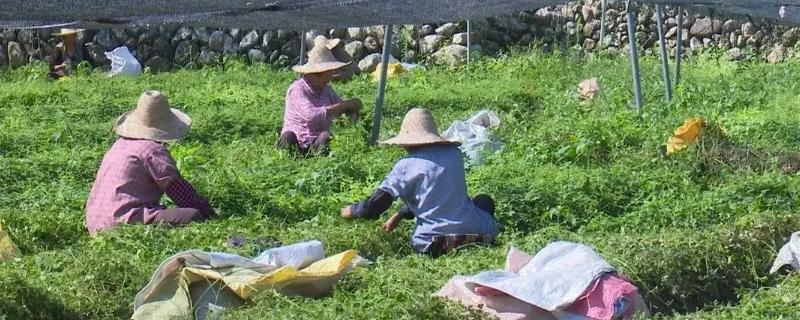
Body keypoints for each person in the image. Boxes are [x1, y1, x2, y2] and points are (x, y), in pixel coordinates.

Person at [340, 108, 499, 257]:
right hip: (478, 234)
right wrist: (399, 215)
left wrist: (352, 211)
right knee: (484, 201)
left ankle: (451, 244)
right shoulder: (454, 155)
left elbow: (375, 206)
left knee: (428, 233)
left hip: (433, 244)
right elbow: (434, 194)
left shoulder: (405, 166)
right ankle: (472, 239)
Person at [85, 91, 215, 236]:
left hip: (95, 222)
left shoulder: (118, 145)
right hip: (121, 223)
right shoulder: (153, 150)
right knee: (193, 215)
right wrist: (209, 214)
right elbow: (179, 190)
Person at [278, 39, 362, 154]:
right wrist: (342, 106)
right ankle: (289, 159)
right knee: (288, 137)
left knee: (325, 136)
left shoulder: (326, 90)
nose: (332, 76)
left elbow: (341, 108)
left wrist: (353, 105)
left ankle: (316, 156)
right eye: (329, 72)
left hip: (315, 140)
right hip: (297, 139)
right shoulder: (297, 90)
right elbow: (311, 115)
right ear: (317, 74)